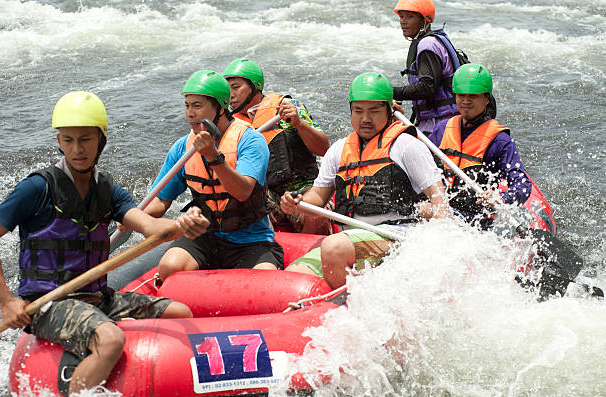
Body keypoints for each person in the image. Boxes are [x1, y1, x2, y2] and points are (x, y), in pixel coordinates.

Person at [0, 91, 207, 394]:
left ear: (101, 139)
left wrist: (182, 225)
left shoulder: (109, 191)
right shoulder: (37, 188)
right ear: (59, 141)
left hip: (97, 298)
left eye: (85, 139)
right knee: (110, 339)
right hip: (49, 305)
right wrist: (6, 301)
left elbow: (150, 226)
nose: (77, 149)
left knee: (180, 314)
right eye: (68, 140)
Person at [280, 73, 450, 289]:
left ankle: (351, 305)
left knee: (333, 247)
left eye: (374, 111)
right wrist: (297, 203)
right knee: (294, 276)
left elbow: (439, 201)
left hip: (395, 236)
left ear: (389, 111)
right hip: (351, 238)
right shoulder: (339, 149)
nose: (365, 119)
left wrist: (441, 246)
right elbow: (317, 197)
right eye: (358, 111)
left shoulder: (407, 145)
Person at [143, 70, 284, 281]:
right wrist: (132, 216)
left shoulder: (251, 141)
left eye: (197, 106)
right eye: (187, 105)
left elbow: (243, 191)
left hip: (251, 240)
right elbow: (160, 202)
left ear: (220, 107)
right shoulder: (183, 147)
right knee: (169, 268)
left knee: (261, 281)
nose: (190, 113)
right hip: (204, 237)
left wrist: (213, 157)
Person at [222, 58, 332, 234]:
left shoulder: (287, 108)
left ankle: (312, 254)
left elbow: (324, 149)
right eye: (227, 90)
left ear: (255, 86)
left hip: (304, 189)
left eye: (236, 87)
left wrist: (299, 124)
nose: (230, 95)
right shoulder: (230, 124)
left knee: (316, 214)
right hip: (267, 195)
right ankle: (265, 250)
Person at [427, 63, 532, 226]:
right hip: (441, 212)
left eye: (473, 96)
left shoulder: (500, 141)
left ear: (487, 98)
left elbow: (522, 184)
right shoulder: (441, 129)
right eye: (461, 95)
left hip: (474, 220)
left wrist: (501, 198)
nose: (465, 101)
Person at [393, 0, 465, 135]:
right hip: (437, 122)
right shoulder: (432, 40)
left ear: (425, 20)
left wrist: (391, 92)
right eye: (402, 16)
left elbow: (427, 87)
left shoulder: (427, 45)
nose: (403, 21)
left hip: (441, 126)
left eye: (410, 16)